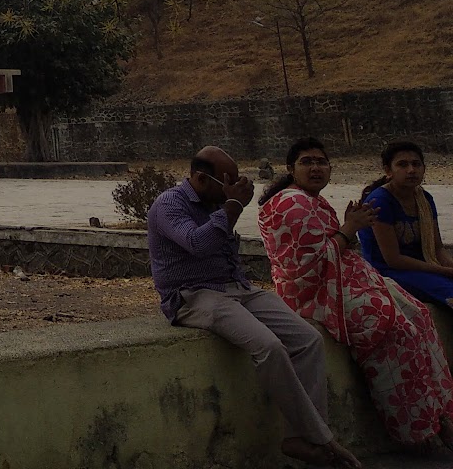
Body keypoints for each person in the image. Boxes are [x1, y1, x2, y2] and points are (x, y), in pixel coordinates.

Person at [147, 145, 360, 468]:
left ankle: (297, 436)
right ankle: (322, 438)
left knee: (307, 339)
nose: (233, 189)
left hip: (235, 287)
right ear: (201, 179)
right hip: (191, 295)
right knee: (269, 347)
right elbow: (197, 244)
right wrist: (232, 205)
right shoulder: (169, 204)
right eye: (226, 182)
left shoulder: (215, 200)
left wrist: (228, 204)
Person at [258, 137, 453, 449]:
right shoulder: (293, 205)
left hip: (345, 279)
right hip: (315, 292)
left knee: (419, 317)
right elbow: (307, 268)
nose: (316, 167)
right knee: (397, 331)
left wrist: (347, 231)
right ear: (291, 169)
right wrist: (349, 228)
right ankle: (415, 432)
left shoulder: (312, 200)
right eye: (307, 162)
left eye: (321, 161)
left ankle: (441, 417)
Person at [357, 140, 453, 308]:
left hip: (421, 265)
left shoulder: (425, 199)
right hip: (388, 271)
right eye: (402, 165)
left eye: (416, 164)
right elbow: (393, 259)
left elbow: (437, 247)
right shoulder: (380, 201)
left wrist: (449, 265)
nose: (411, 170)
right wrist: (444, 271)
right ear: (389, 171)